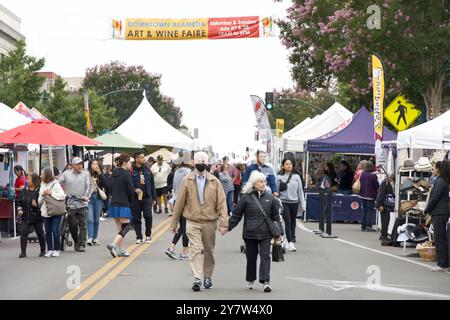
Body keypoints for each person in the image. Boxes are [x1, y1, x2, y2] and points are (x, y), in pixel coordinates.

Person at [170, 151, 228, 291]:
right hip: (192, 221)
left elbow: (222, 202)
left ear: (207, 163)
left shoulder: (215, 181)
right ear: (193, 163)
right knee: (195, 249)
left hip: (209, 221)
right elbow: (179, 203)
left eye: (203, 162)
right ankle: (197, 278)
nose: (201, 165)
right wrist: (174, 222)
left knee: (209, 250)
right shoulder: (187, 180)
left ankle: (207, 276)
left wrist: (224, 223)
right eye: (198, 162)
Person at [228, 171, 282, 293]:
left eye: (265, 182)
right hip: (250, 233)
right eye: (261, 182)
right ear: (254, 183)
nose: (264, 184)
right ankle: (251, 278)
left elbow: (275, 217)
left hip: (265, 234)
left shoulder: (270, 198)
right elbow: (237, 215)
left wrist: (279, 233)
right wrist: (228, 227)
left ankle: (265, 282)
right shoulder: (245, 198)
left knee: (265, 256)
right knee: (251, 257)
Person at [58, 157, 92, 252]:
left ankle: (82, 244)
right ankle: (76, 241)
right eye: (77, 164)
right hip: (70, 204)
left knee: (83, 224)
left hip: (83, 203)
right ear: (72, 165)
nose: (80, 166)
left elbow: (89, 186)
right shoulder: (66, 174)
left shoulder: (86, 173)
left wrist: (86, 196)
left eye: (81, 164)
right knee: (72, 225)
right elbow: (57, 183)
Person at [165, 151, 193, 260]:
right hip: (185, 201)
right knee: (186, 227)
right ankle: (185, 252)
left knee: (182, 226)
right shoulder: (188, 172)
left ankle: (171, 247)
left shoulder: (177, 171)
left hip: (177, 200)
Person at [107, 154, 134, 258]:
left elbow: (109, 188)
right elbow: (130, 190)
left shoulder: (113, 174)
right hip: (124, 203)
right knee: (127, 226)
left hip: (114, 202)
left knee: (119, 227)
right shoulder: (126, 174)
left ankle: (120, 249)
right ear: (124, 163)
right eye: (129, 162)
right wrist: (131, 201)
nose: (130, 164)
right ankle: (113, 244)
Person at [424, 161, 450, 272]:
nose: (433, 170)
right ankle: (444, 263)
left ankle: (442, 264)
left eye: (434, 168)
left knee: (439, 238)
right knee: (442, 238)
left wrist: (427, 210)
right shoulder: (443, 181)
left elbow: (434, 198)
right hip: (443, 212)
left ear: (438, 169)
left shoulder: (440, 182)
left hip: (439, 212)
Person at [277, 158, 306, 252]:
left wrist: (303, 204)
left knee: (293, 222)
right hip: (284, 202)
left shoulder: (297, 177)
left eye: (290, 164)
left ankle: (289, 239)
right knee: (288, 222)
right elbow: (276, 191)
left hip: (294, 202)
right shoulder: (279, 177)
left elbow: (300, 191)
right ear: (283, 166)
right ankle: (290, 242)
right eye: (286, 164)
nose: (289, 165)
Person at [16, 173, 46, 258]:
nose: (27, 180)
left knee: (40, 234)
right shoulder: (23, 190)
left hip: (37, 216)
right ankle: (23, 252)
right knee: (23, 233)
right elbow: (18, 201)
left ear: (34, 180)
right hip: (26, 216)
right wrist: (19, 209)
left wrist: (37, 205)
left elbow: (44, 203)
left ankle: (43, 250)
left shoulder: (40, 191)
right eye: (27, 179)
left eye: (29, 179)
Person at [39, 167, 66, 257]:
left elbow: (62, 196)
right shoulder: (42, 184)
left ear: (47, 175)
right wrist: (43, 195)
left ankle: (57, 249)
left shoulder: (55, 184)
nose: (40, 176)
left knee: (55, 230)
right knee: (47, 231)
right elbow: (39, 201)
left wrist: (51, 193)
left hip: (55, 211)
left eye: (42, 174)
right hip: (45, 212)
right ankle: (50, 249)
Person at [131, 152, 157, 244]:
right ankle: (139, 237)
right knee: (137, 218)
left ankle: (148, 235)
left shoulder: (147, 169)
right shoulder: (131, 170)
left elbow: (152, 184)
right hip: (135, 198)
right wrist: (135, 189)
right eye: (142, 158)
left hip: (147, 197)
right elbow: (128, 184)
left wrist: (154, 198)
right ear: (136, 159)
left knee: (148, 216)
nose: (144, 159)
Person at [87, 160, 109, 246]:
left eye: (96, 164)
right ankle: (90, 238)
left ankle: (95, 238)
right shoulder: (86, 174)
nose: (95, 165)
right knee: (90, 219)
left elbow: (106, 185)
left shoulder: (100, 175)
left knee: (96, 219)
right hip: (89, 197)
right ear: (90, 165)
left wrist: (100, 173)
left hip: (98, 198)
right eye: (93, 164)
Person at [358, 161, 379, 232]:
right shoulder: (373, 175)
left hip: (362, 194)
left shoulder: (362, 174)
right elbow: (376, 185)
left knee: (364, 210)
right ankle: (368, 226)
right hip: (370, 195)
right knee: (370, 211)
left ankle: (363, 226)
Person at [376, 174, 395, 241]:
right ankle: (383, 235)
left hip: (385, 205)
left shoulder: (386, 184)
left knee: (386, 221)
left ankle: (384, 235)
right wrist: (380, 205)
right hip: (384, 205)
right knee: (385, 221)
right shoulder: (385, 184)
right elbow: (381, 194)